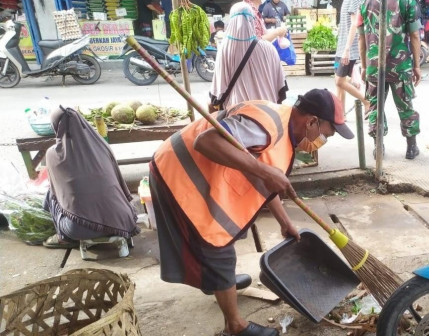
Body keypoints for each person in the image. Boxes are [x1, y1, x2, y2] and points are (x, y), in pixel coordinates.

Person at [148, 88, 354, 336]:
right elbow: (206, 141)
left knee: (227, 233)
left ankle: (220, 283)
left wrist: (284, 221)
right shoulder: (267, 125)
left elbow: (266, 180)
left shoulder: (286, 130)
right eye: (325, 134)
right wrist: (265, 172)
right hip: (178, 171)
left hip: (198, 174)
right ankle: (235, 326)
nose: (322, 141)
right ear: (311, 121)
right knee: (216, 245)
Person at [43, 106, 140, 248]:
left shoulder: (53, 154)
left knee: (52, 193)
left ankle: (63, 238)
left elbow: (57, 193)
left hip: (80, 229)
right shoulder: (102, 146)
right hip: (123, 219)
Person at [358, 0, 422, 159]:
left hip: (374, 65)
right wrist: (416, 66)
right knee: (405, 105)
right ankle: (411, 147)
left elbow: (361, 38)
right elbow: (414, 34)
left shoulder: (365, 3)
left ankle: (378, 147)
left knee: (375, 107)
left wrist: (364, 66)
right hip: (400, 67)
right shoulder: (407, 2)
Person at [210, 2, 288, 110]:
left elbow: (216, 93)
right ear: (252, 21)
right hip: (267, 115)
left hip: (237, 118)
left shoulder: (224, 50)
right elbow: (282, 90)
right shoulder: (269, 48)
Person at [334, 0, 369, 115]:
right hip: (341, 49)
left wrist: (347, 49)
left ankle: (366, 101)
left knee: (340, 81)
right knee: (338, 81)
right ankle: (341, 114)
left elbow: (355, 24)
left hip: (349, 49)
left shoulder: (354, 1)